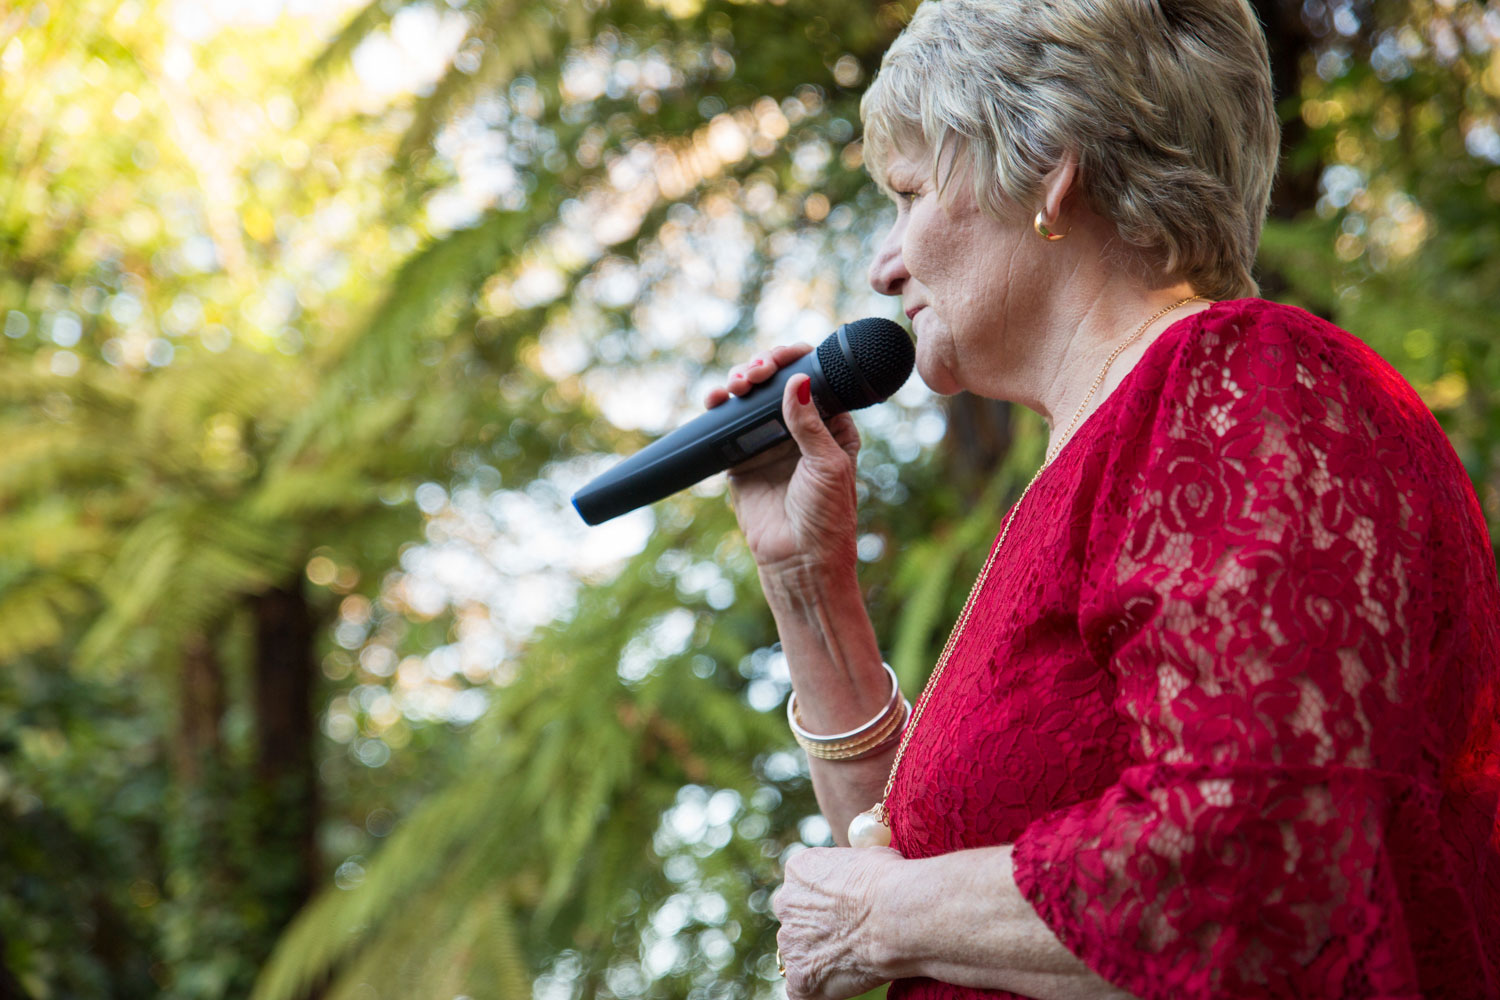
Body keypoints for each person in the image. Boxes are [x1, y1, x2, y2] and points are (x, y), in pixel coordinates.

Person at [701, 1, 1500, 997]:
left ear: (1048, 168)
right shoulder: (1100, 465)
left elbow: (1260, 854)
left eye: (907, 194)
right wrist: (804, 581)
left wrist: (880, 919)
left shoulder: (1240, 381)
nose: (885, 261)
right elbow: (908, 849)